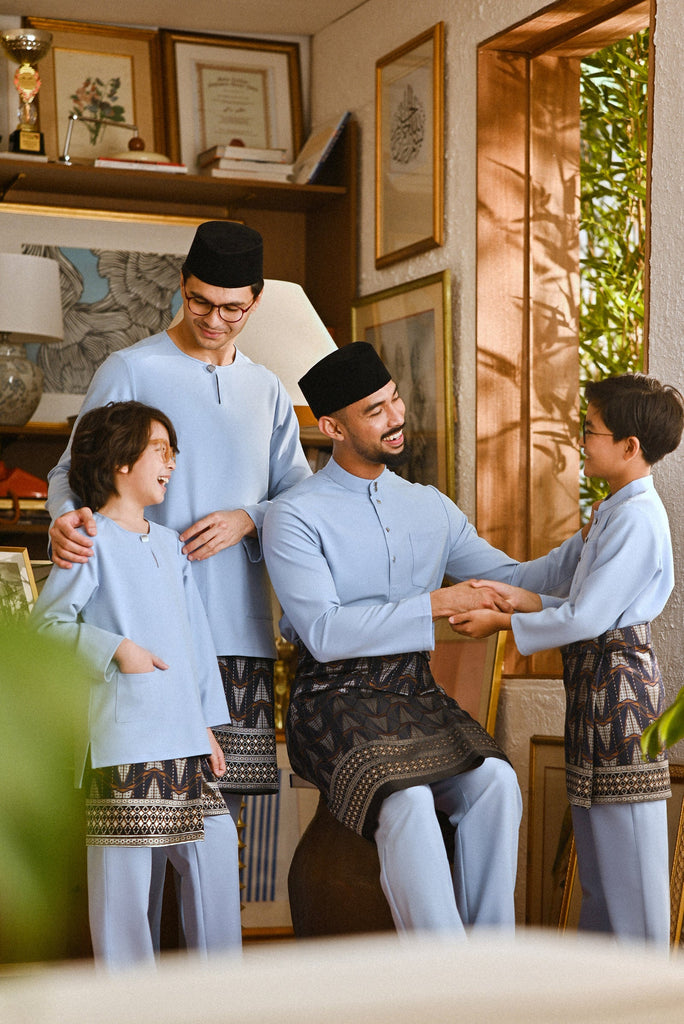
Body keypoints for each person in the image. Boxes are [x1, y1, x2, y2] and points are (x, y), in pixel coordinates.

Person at [262, 341, 585, 936]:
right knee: (407, 798)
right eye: (375, 411)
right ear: (332, 427)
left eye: (395, 400)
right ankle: (442, 969)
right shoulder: (294, 514)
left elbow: (511, 579)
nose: (396, 417)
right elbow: (325, 633)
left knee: (497, 782)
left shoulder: (429, 506)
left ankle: (489, 960)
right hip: (330, 698)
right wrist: (436, 603)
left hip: (413, 692)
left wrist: (594, 540)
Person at [46, 221, 311, 816]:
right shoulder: (130, 368)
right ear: (182, 284)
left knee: (223, 819)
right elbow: (67, 472)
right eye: (199, 302)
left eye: (232, 309)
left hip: (238, 628)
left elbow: (299, 498)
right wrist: (68, 520)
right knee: (138, 817)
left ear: (256, 301)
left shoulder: (268, 389)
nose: (214, 320)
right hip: (143, 627)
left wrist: (249, 517)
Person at [451, 373, 684, 946]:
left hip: (621, 696)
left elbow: (586, 618)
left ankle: (645, 989)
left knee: (633, 880)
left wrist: (506, 621)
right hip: (594, 691)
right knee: (601, 875)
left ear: (629, 446)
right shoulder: (613, 511)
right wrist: (515, 597)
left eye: (591, 429)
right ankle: (603, 987)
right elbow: (575, 601)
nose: (581, 439)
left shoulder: (636, 517)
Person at [31, 401, 241, 969]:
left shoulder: (171, 545)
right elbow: (46, 628)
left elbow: (196, 641)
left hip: (184, 740)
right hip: (124, 743)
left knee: (216, 852)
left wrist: (206, 726)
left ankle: (225, 995)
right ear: (121, 461)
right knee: (124, 893)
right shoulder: (87, 539)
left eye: (173, 453)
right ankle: (126, 1001)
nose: (171, 464)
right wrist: (116, 649)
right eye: (160, 451)